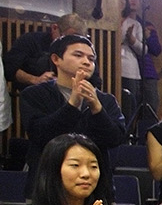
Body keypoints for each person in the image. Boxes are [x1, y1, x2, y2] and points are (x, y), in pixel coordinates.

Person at [18, 35, 126, 190]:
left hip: (95, 189)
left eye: (91, 59)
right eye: (78, 55)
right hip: (47, 187)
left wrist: (97, 108)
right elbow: (40, 135)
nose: (86, 62)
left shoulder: (105, 100)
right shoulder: (34, 94)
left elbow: (115, 139)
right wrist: (72, 105)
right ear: (56, 59)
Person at [3, 13, 99, 91]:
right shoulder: (30, 40)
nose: (72, 42)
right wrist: (35, 79)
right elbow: (9, 68)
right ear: (54, 28)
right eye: (67, 37)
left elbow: (96, 81)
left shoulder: (85, 50)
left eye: (78, 38)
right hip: (36, 99)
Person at [120, 0, 162, 116]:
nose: (132, 0)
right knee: (127, 110)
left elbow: (156, 50)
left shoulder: (145, 24)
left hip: (146, 72)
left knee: (149, 112)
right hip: (124, 69)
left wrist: (148, 37)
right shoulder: (117, 21)